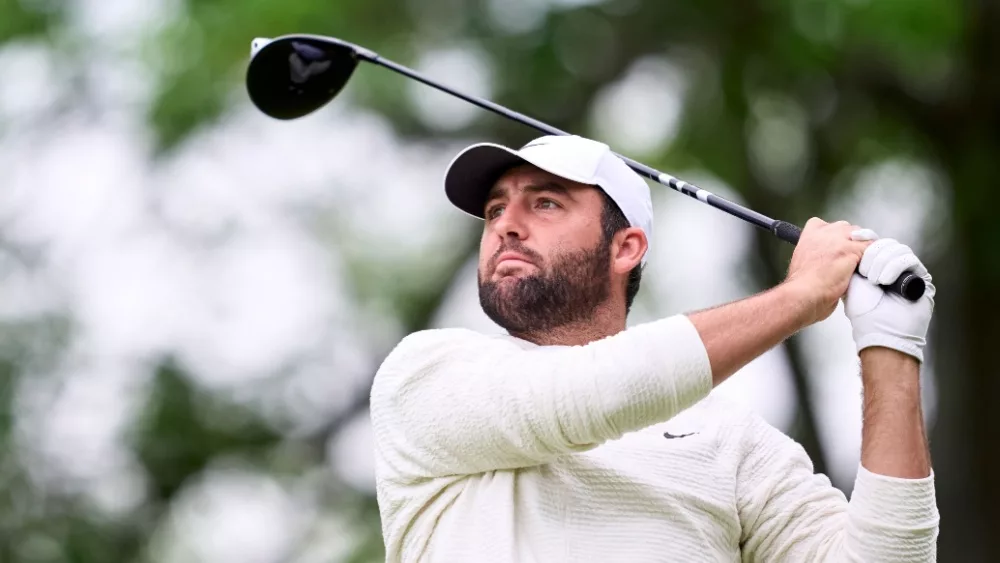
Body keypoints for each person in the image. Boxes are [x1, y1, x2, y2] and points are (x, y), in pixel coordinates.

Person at [369, 135, 939, 562]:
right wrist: (801, 295)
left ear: (626, 249)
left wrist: (891, 343)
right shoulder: (426, 375)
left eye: (544, 203)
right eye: (495, 209)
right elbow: (588, 392)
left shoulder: (733, 442)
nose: (505, 226)